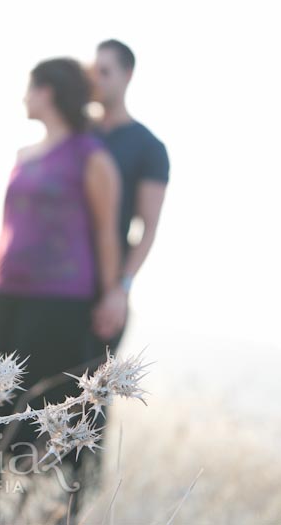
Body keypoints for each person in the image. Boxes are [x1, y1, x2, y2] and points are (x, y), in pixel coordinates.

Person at [0, 57, 126, 514]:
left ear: (49, 92)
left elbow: (106, 232)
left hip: (60, 301)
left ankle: (45, 506)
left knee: (44, 405)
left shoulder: (91, 156)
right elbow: (8, 228)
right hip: (5, 294)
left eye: (30, 88)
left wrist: (113, 292)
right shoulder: (23, 156)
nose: (24, 97)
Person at [88, 39, 170, 353]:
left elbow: (147, 228)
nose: (97, 80)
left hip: (103, 289)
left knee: (88, 397)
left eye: (106, 72)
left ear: (128, 75)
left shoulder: (148, 147)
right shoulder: (77, 134)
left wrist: (120, 289)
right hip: (56, 282)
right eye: (94, 72)